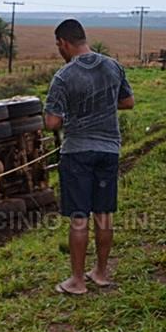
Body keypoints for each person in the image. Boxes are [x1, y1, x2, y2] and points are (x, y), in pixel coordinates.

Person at [44, 18, 135, 296]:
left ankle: (77, 281)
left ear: (63, 43)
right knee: (104, 215)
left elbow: (52, 122)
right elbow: (128, 102)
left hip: (77, 152)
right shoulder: (112, 66)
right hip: (109, 150)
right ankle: (101, 272)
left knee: (79, 219)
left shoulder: (63, 77)